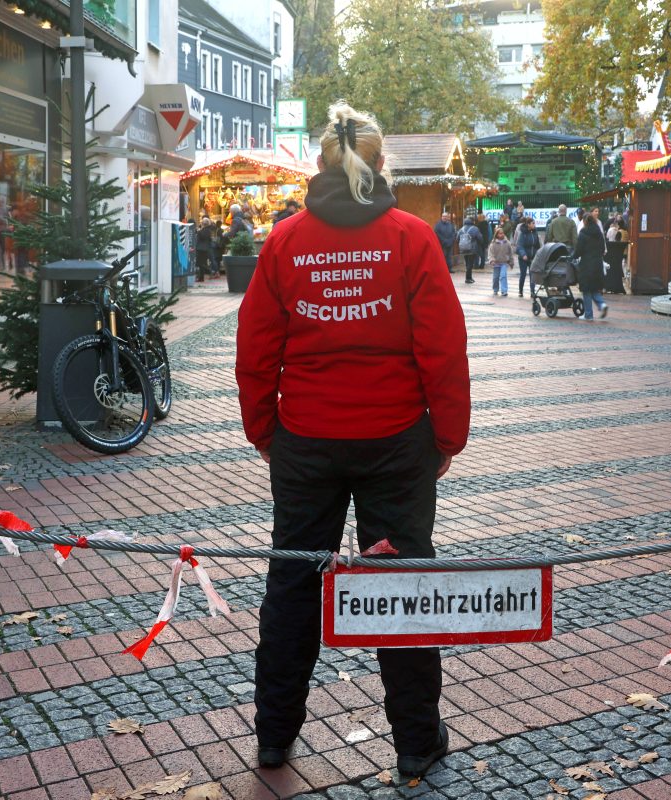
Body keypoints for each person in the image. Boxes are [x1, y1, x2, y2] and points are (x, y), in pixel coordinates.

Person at [235, 101, 470, 780]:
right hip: (397, 442)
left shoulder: (284, 242)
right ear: (381, 164)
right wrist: (446, 435)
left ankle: (275, 736)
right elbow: (442, 348)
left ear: (320, 166)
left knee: (293, 587)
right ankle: (416, 743)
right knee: (401, 587)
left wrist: (265, 432)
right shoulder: (411, 238)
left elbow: (256, 350)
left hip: (306, 439)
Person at [573, 208, 607, 320]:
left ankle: (588, 315)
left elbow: (578, 250)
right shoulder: (599, 233)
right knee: (595, 288)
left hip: (586, 264)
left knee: (586, 290)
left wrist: (573, 256)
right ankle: (602, 304)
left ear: (585, 222)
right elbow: (603, 249)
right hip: (597, 263)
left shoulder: (583, 233)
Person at [513, 216, 540, 297]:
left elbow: (537, 245)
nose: (534, 225)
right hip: (523, 258)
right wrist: (523, 254)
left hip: (532, 258)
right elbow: (519, 246)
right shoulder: (523, 233)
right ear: (528, 224)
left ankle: (532, 292)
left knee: (532, 274)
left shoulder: (535, 232)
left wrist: (538, 253)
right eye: (533, 223)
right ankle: (520, 291)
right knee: (523, 274)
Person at [487, 225, 513, 297]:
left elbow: (510, 253)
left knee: (503, 276)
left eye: (502, 233)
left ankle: (504, 291)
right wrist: (491, 260)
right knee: (496, 278)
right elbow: (490, 253)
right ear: (497, 234)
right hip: (496, 263)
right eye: (500, 233)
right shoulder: (493, 243)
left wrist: (511, 262)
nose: (501, 234)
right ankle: (495, 289)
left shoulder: (507, 243)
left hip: (504, 263)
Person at [458, 215, 482, 284]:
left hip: (463, 248)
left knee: (467, 263)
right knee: (470, 264)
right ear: (472, 222)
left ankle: (469, 277)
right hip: (472, 248)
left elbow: (457, 238)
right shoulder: (475, 228)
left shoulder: (461, 229)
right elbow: (480, 238)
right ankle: (468, 278)